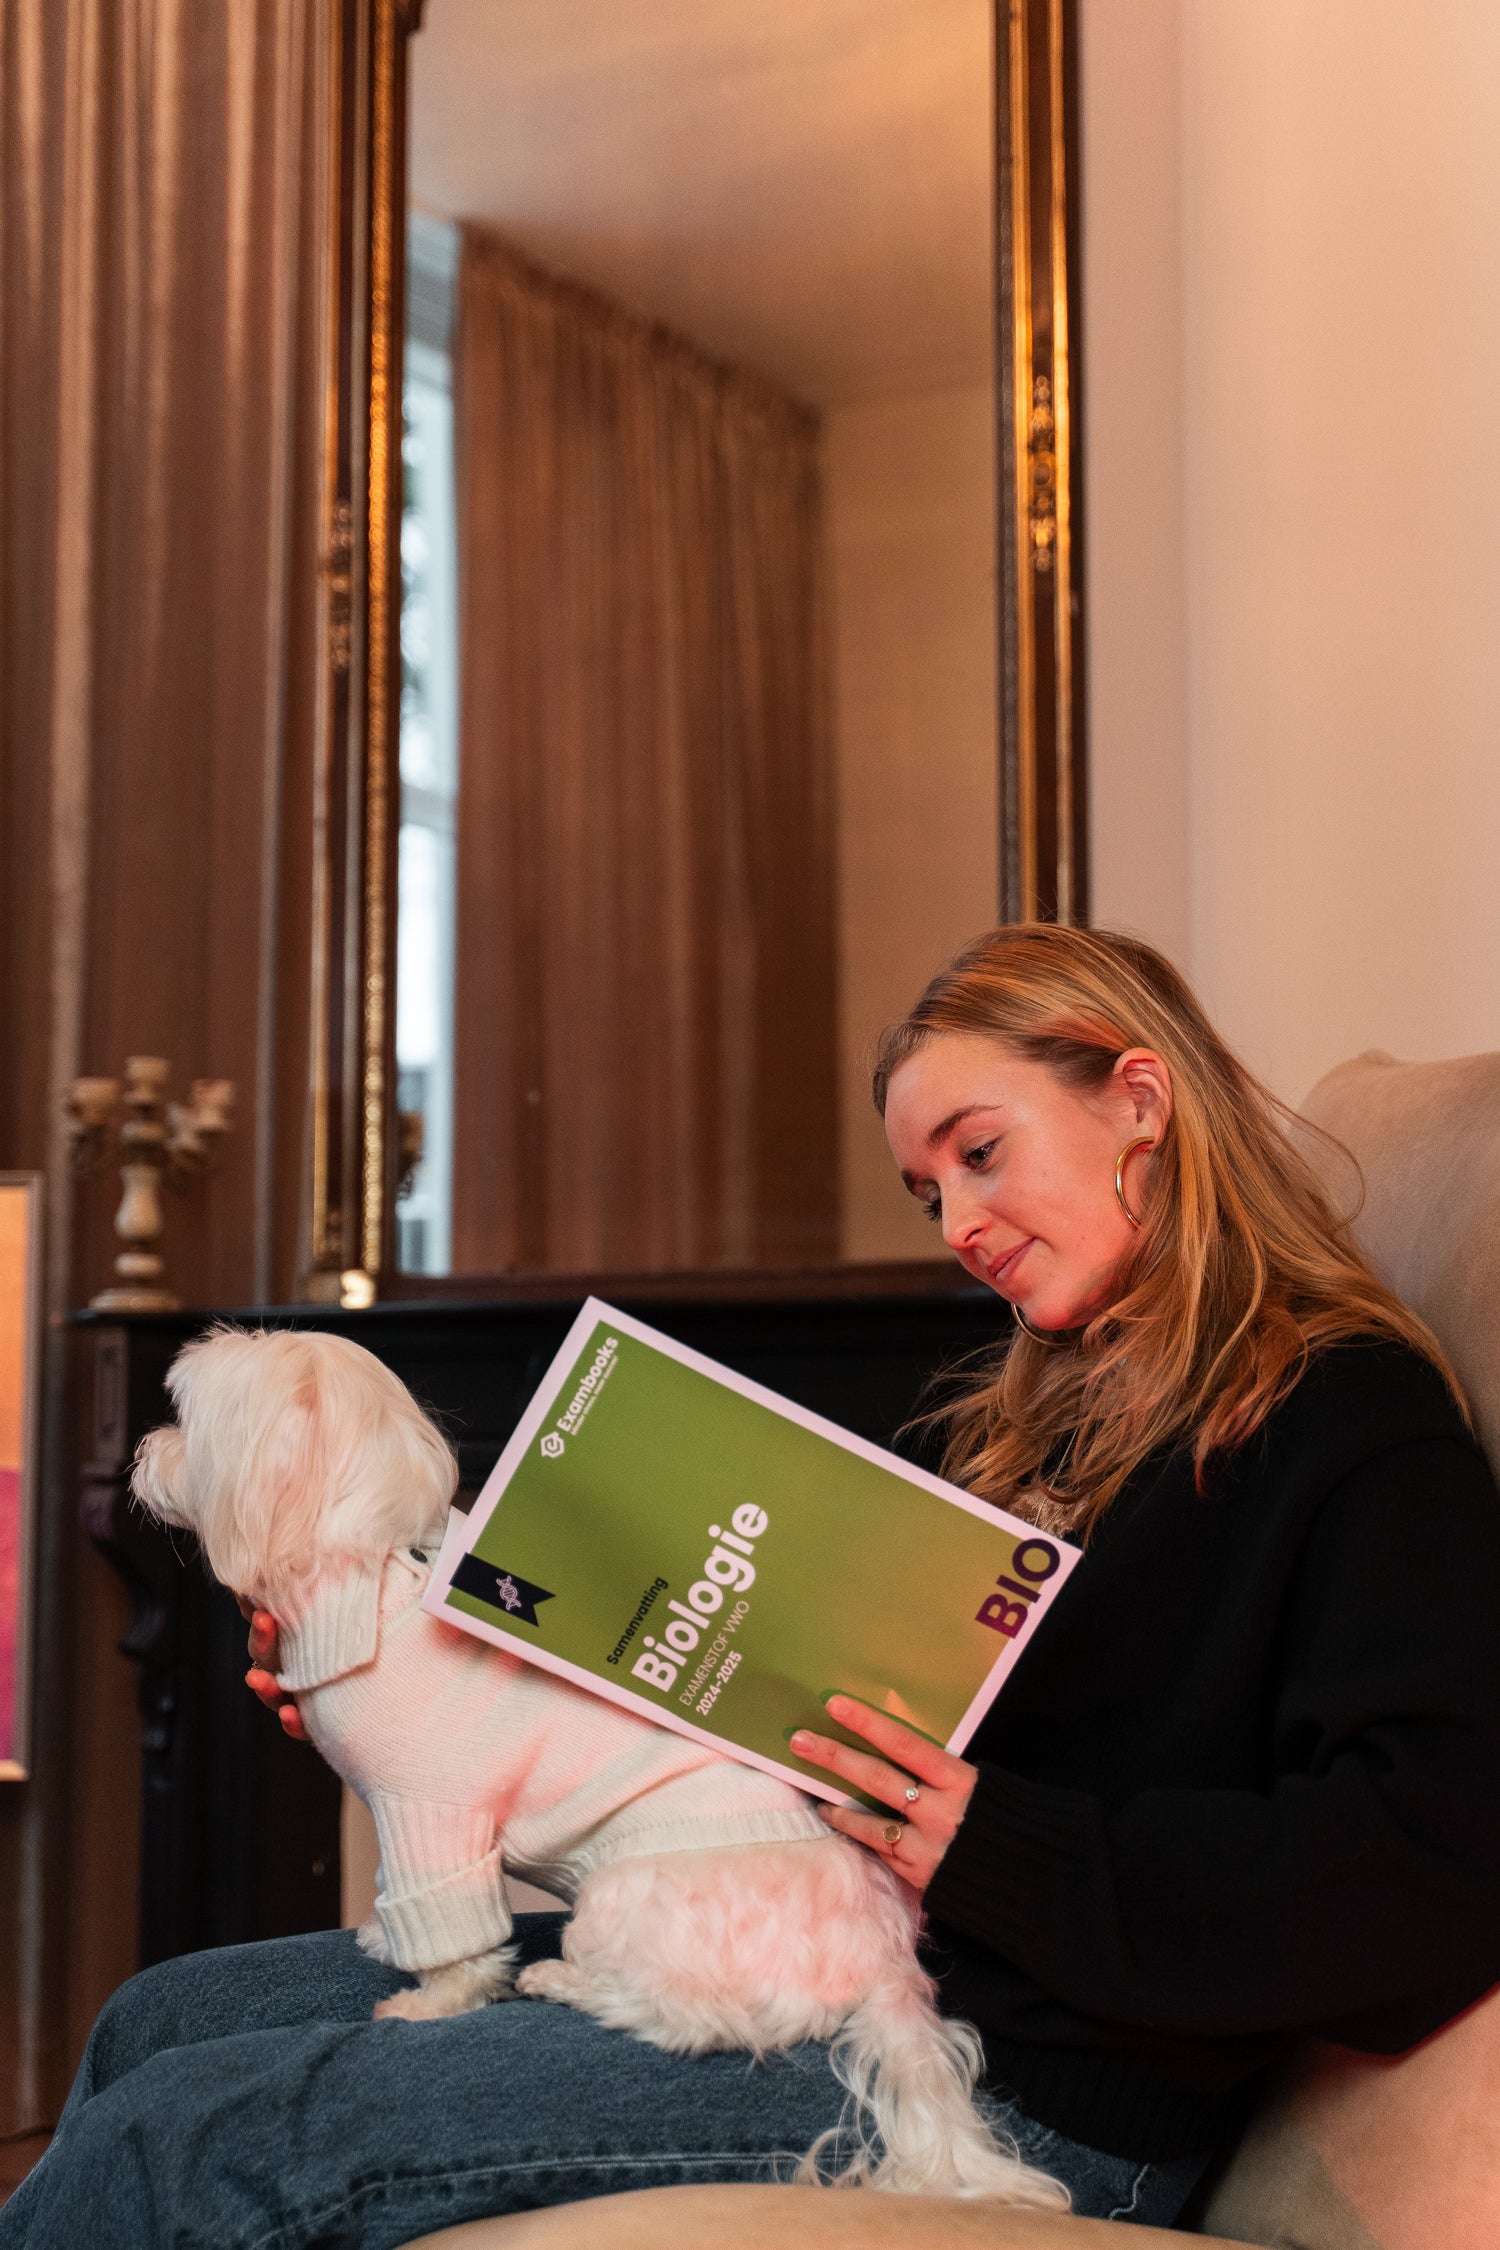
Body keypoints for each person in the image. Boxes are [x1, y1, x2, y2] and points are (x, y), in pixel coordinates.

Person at [9, 923, 1500, 2248]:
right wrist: (413, 1710)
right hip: (817, 1946)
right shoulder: (1017, 1428)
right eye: (927, 1191)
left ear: (1139, 1101)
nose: (960, 1225)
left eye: (980, 1152)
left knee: (204, 2130)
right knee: (169, 2015)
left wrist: (988, 1840)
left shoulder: (1348, 1422)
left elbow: (1422, 1865)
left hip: (1026, 2077)